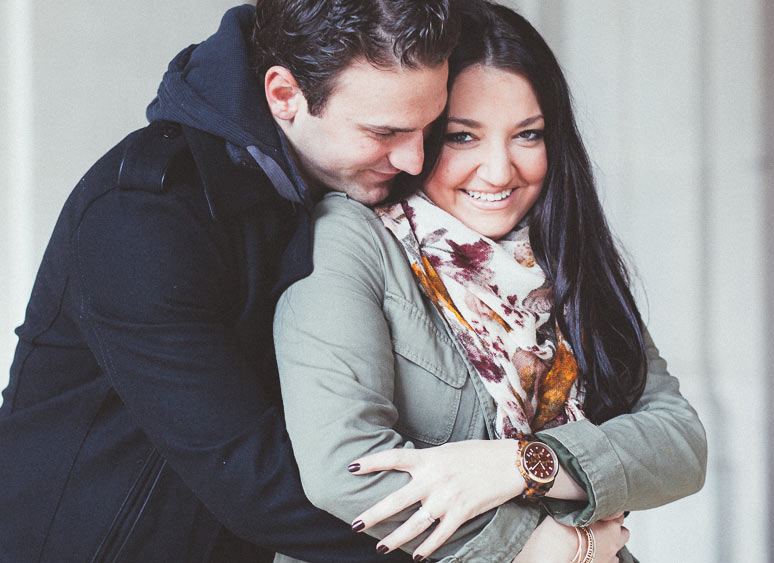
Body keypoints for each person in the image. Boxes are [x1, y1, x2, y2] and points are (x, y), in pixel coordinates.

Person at [0, 1, 462, 561]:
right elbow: (253, 479)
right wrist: (504, 549)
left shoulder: (351, 181)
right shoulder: (142, 214)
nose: (415, 159)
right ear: (284, 95)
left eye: (430, 127)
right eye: (384, 131)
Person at [273, 3, 708, 562]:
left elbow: (679, 443)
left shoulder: (561, 257)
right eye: (463, 137)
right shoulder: (352, 239)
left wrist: (520, 464)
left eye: (527, 134)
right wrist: (546, 548)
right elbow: (345, 469)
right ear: (422, 132)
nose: (501, 171)